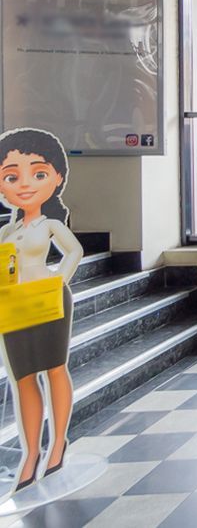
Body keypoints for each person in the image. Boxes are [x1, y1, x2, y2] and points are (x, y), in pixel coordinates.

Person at [0, 128, 83, 493]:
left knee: (53, 369)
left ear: (57, 178)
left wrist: (58, 280)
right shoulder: (7, 233)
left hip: (49, 301)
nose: (24, 184)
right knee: (23, 378)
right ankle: (31, 452)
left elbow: (74, 251)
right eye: (11, 176)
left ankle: (58, 443)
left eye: (38, 173)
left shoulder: (50, 224)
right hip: (15, 306)